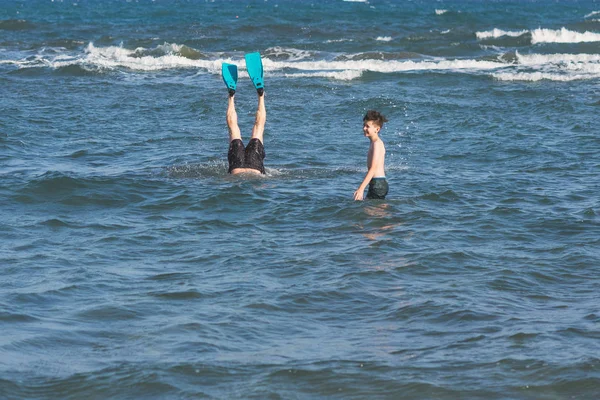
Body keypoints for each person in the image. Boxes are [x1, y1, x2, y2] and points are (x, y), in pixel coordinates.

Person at [226, 86, 266, 175]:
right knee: (257, 126)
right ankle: (261, 96)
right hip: (249, 167)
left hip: (237, 169)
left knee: (258, 126)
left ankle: (231, 96)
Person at [353, 110, 389, 201]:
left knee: (373, 212)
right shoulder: (373, 143)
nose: (364, 128)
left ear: (377, 129)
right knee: (376, 212)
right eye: (364, 125)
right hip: (377, 183)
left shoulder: (377, 144)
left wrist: (361, 189)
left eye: (367, 126)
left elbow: (373, 169)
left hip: (378, 184)